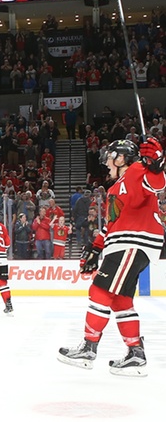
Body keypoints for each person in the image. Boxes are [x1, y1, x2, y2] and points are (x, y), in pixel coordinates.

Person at [58, 138, 166, 377]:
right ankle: (135, 354)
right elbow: (112, 224)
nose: (106, 162)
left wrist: (157, 163)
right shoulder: (115, 188)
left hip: (133, 241)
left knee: (99, 291)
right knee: (120, 300)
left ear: (121, 158)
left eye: (110, 157)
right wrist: (96, 248)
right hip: (125, 242)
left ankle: (88, 348)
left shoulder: (138, 170)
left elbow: (156, 184)